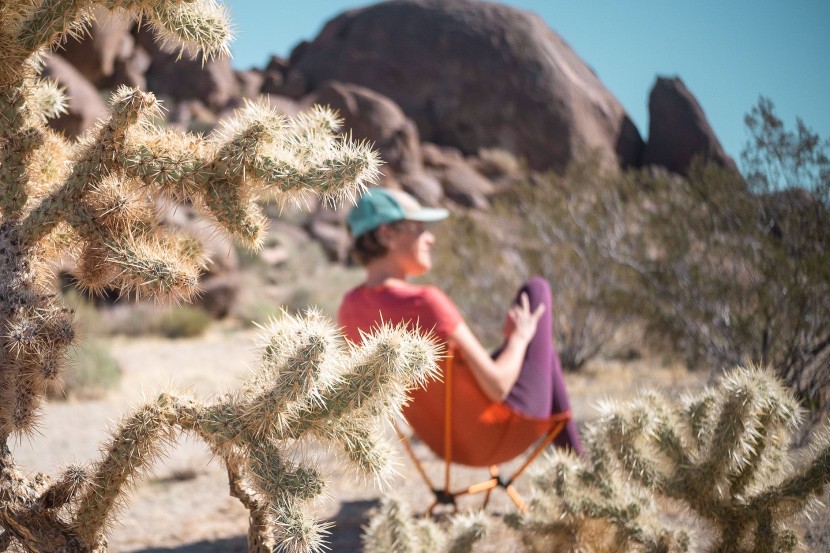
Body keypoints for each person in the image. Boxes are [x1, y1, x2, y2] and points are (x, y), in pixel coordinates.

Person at [337, 188, 583, 456]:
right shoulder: (425, 302)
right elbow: (498, 386)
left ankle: (576, 462)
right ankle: (576, 461)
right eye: (419, 228)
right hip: (498, 433)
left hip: (442, 443)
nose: (430, 238)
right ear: (387, 235)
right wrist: (520, 338)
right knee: (537, 290)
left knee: (541, 350)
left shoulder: (349, 308)